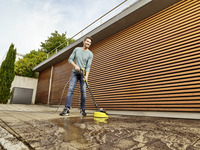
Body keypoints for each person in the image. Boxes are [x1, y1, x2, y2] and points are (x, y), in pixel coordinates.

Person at [60, 37, 93, 116]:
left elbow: (88, 67)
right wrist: (75, 66)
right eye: (87, 41)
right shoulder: (77, 49)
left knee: (83, 92)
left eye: (90, 42)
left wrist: (86, 77)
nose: (88, 43)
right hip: (75, 73)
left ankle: (82, 110)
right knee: (70, 90)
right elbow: (70, 59)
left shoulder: (90, 54)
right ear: (84, 42)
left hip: (83, 74)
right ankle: (67, 109)